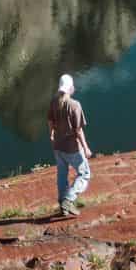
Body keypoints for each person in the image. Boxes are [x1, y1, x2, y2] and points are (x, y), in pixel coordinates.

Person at [48, 72, 91, 218]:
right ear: (70, 88)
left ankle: (63, 205)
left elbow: (50, 121)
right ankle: (69, 199)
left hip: (57, 147)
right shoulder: (74, 105)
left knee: (62, 174)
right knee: (84, 174)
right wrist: (85, 147)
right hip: (71, 147)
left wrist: (52, 135)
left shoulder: (53, 102)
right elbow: (78, 130)